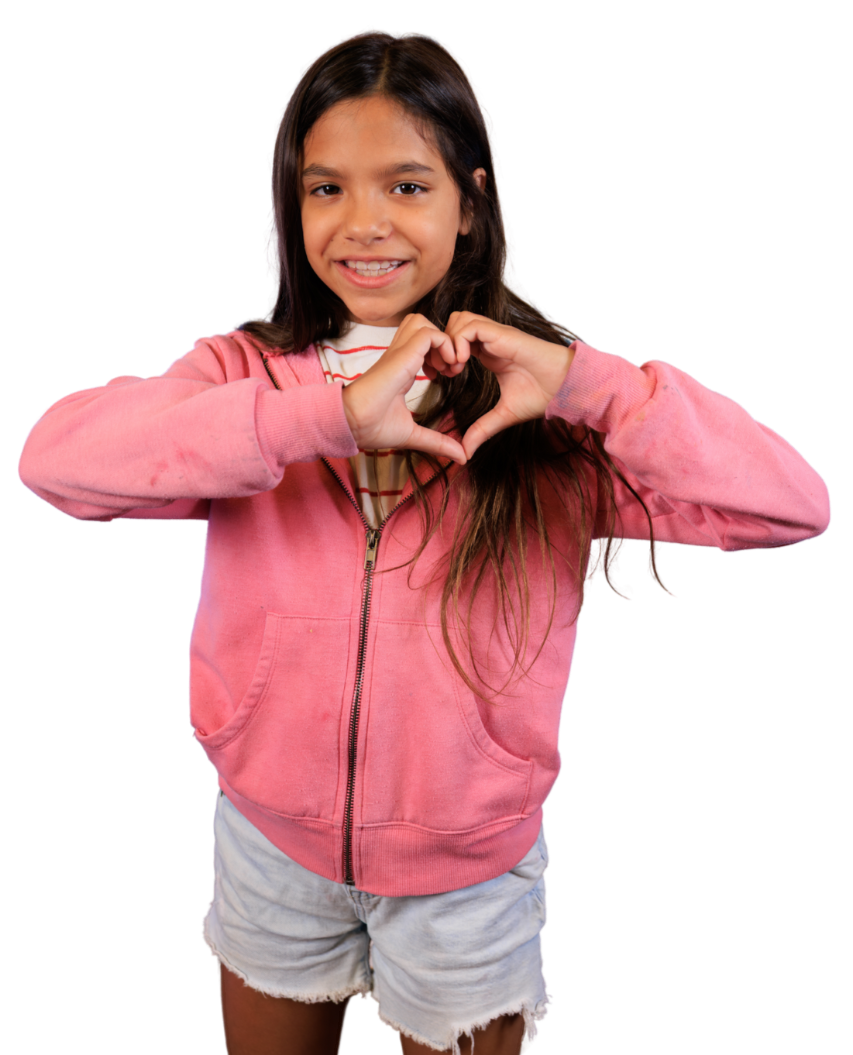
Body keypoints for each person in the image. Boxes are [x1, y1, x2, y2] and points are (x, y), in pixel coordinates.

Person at [16, 30, 831, 1055]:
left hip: (469, 875)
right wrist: (322, 419)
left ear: (470, 200)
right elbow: (56, 461)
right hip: (270, 844)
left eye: (406, 186)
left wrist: (591, 383)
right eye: (325, 189)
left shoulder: (552, 411)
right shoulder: (245, 381)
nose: (362, 225)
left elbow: (792, 502)